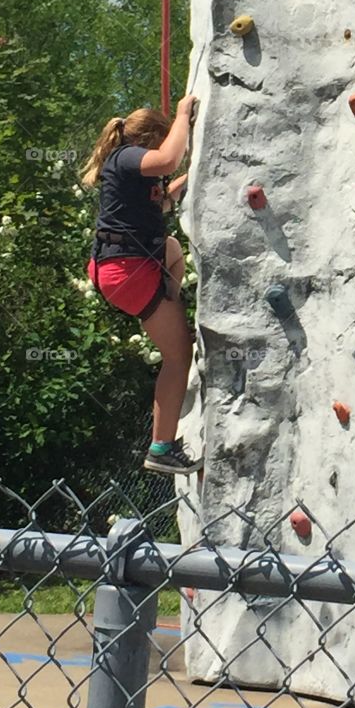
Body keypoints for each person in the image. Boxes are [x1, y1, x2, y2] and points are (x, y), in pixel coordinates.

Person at [82, 98, 202, 475]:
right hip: (127, 271)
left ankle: (170, 308)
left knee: (171, 248)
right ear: (149, 138)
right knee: (178, 356)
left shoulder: (132, 174)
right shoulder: (126, 157)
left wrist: (191, 177)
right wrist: (182, 116)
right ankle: (161, 448)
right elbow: (168, 159)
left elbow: (160, 203)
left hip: (121, 269)